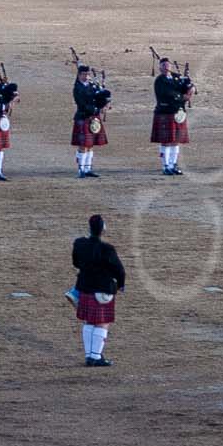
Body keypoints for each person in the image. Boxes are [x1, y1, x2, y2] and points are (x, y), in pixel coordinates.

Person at [70, 214, 125, 367]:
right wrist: (121, 284)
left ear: (89, 228)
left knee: (89, 321)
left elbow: (76, 262)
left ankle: (89, 355)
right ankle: (95, 356)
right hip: (103, 289)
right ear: (103, 229)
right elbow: (119, 270)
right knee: (102, 322)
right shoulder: (107, 249)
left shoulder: (79, 243)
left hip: (85, 287)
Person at [150, 57, 192, 176]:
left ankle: (173, 165)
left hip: (178, 113)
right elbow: (167, 93)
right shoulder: (160, 80)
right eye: (163, 65)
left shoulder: (176, 77)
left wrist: (190, 88)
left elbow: (184, 88)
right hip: (165, 112)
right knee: (166, 141)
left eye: (167, 64)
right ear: (160, 67)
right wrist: (182, 97)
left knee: (175, 141)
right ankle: (166, 166)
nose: (166, 66)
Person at [72, 61, 109, 178]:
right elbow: (82, 104)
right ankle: (81, 169)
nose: (86, 76)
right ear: (79, 75)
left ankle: (88, 168)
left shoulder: (92, 85)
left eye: (88, 74)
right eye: (84, 74)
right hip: (83, 116)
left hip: (93, 117)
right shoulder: (77, 88)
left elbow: (98, 98)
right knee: (83, 145)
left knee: (90, 144)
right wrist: (95, 109)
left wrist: (103, 100)